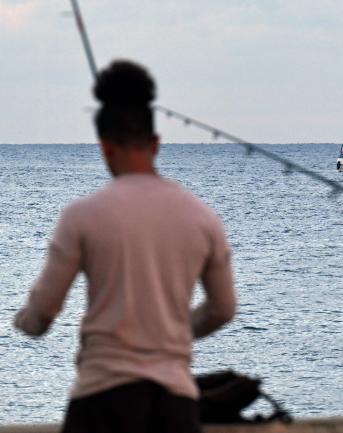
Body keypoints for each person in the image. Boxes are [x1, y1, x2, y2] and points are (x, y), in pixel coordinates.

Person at [14, 60, 236, 433]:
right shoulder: (202, 218)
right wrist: (176, 331)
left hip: (101, 401)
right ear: (156, 144)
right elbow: (222, 309)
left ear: (105, 146)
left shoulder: (82, 216)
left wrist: (23, 322)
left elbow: (42, 314)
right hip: (175, 405)